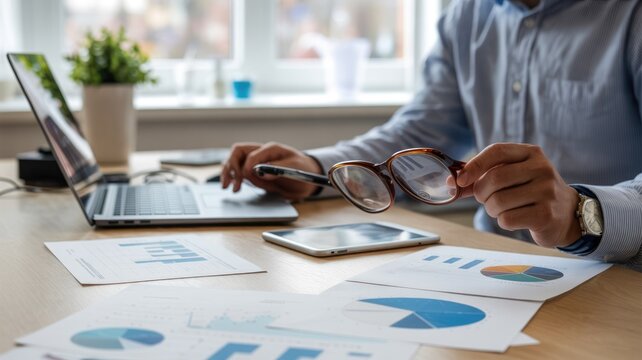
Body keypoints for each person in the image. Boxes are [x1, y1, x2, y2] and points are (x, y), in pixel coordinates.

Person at [221, 0, 642, 271]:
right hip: (491, 268)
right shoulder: (466, 16)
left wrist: (579, 212)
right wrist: (314, 169)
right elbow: (420, 131)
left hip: (613, 278)